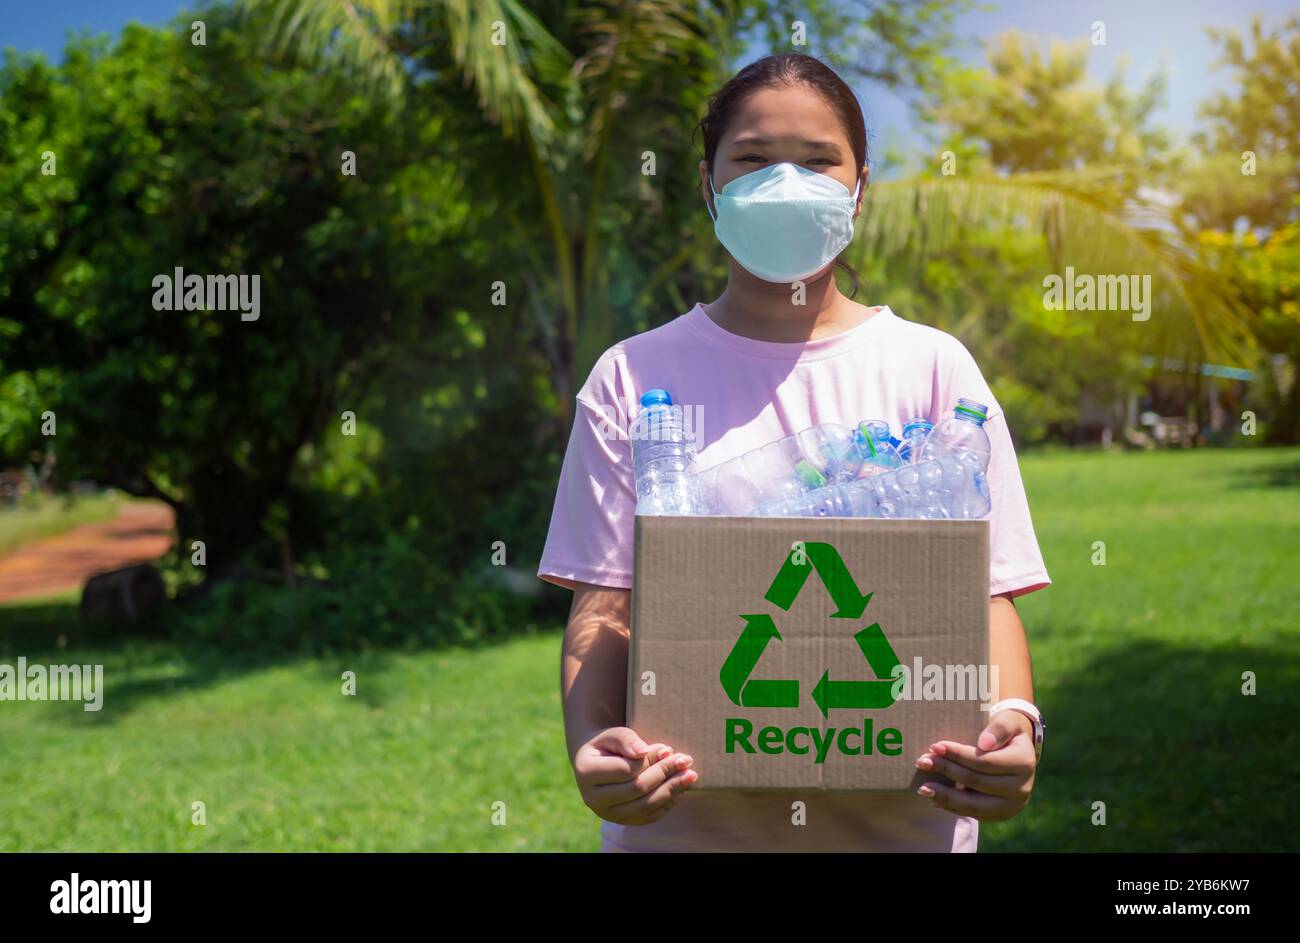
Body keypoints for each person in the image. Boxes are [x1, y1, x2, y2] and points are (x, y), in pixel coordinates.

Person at [537, 52, 1051, 852]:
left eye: (817, 162)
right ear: (708, 187)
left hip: (902, 830)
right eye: (751, 160)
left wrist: (1017, 724)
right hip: (689, 832)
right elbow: (603, 610)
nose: (785, 184)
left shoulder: (933, 369)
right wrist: (593, 741)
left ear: (858, 189)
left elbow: (987, 592)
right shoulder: (633, 377)